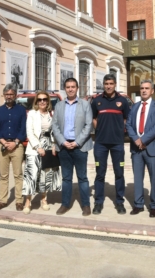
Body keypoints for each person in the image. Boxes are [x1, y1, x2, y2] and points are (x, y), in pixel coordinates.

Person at [52, 77, 93, 216]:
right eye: (68, 87)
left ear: (77, 88)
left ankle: (86, 205)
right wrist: (63, 142)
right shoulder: (59, 106)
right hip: (64, 147)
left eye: (73, 87)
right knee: (66, 178)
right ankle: (65, 204)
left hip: (79, 147)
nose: (70, 89)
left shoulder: (85, 104)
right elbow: (55, 126)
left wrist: (77, 142)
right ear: (65, 89)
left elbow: (89, 125)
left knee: (82, 177)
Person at [91, 73, 130, 215]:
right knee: (100, 174)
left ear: (115, 85)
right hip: (100, 144)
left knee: (119, 173)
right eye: (106, 84)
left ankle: (119, 202)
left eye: (111, 84)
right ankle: (98, 202)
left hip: (117, 144)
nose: (108, 86)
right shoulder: (97, 101)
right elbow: (93, 118)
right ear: (103, 85)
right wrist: (99, 129)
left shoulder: (122, 101)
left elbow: (127, 118)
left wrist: (119, 130)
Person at [126, 79, 155, 218]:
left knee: (154, 177)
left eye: (147, 88)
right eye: (142, 88)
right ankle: (138, 204)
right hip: (136, 149)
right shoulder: (134, 107)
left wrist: (143, 139)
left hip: (152, 147)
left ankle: (154, 205)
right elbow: (129, 125)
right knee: (138, 177)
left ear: (152, 91)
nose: (143, 90)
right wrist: (136, 140)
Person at [22, 91, 62, 214]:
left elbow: (55, 131)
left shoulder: (51, 114)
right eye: (39, 100)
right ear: (36, 102)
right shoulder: (32, 114)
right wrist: (38, 147)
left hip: (49, 146)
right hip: (34, 148)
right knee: (31, 175)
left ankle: (44, 199)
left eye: (45, 99)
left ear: (48, 101)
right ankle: (27, 202)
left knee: (45, 174)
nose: (42, 101)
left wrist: (54, 144)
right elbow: (30, 132)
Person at [0, 83, 27, 211]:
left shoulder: (21, 110)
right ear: (4, 95)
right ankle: (3, 201)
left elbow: (24, 129)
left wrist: (15, 142)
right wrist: (3, 142)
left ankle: (19, 201)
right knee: (3, 175)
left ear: (15, 95)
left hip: (17, 146)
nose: (9, 96)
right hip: (2, 146)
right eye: (7, 94)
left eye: (11, 94)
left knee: (18, 174)